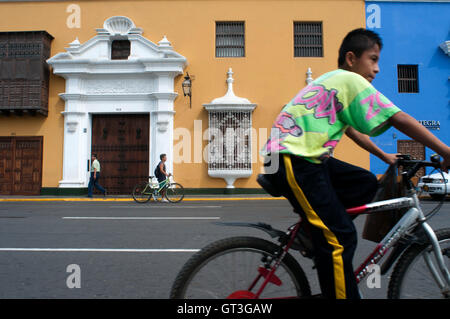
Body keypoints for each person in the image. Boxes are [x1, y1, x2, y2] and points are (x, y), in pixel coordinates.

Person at [259, 28, 450, 299]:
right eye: (372, 59)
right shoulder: (349, 79)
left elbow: (350, 129)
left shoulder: (334, 82)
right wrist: (445, 151)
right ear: (351, 58)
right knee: (341, 237)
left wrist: (384, 157)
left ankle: (316, 234)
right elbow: (399, 118)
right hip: (293, 159)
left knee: (363, 182)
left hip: (303, 159)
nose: (378, 69)